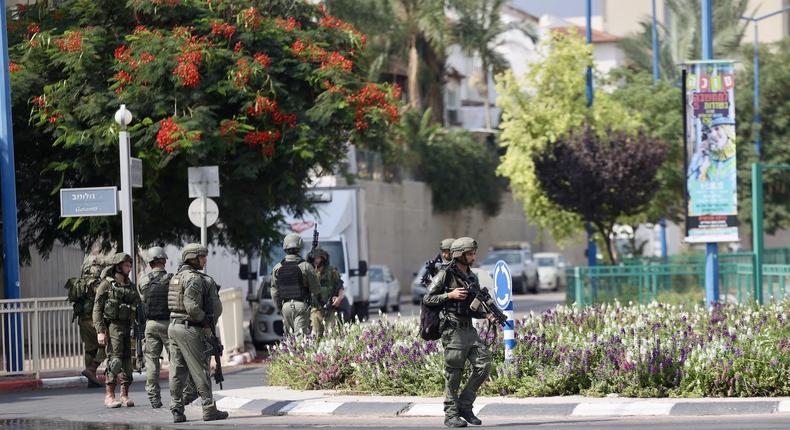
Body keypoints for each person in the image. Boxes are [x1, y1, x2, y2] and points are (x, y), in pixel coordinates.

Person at [423, 237, 493, 428]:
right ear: (459, 255)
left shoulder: (472, 276)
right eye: (470, 253)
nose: (473, 256)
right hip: (452, 329)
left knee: (484, 365)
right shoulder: (445, 274)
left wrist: (486, 314)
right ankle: (451, 415)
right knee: (454, 374)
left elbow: (472, 307)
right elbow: (428, 298)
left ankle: (465, 405)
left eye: (473, 253)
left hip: (469, 328)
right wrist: (449, 295)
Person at [167, 243, 228, 423]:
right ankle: (209, 408)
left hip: (174, 326)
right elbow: (193, 308)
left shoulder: (176, 278)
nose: (205, 260)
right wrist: (206, 322)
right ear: (192, 258)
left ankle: (177, 410)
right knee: (200, 369)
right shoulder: (194, 279)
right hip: (190, 328)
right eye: (202, 256)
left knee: (177, 371)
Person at [137, 246, 197, 409]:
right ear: (164, 261)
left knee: (152, 361)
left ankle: (153, 397)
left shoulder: (143, 280)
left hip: (150, 325)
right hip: (168, 324)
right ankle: (179, 396)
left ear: (149, 263)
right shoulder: (172, 278)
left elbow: (143, 299)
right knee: (176, 361)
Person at [93, 252, 140, 408]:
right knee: (115, 360)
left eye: (130, 265)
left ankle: (124, 395)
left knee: (128, 362)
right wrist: (100, 330)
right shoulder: (106, 285)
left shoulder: (130, 285)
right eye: (127, 265)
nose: (130, 268)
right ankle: (109, 395)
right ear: (118, 266)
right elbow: (97, 309)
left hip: (129, 327)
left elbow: (138, 306)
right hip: (113, 326)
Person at [66, 255, 108, 388]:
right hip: (93, 320)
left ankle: (92, 379)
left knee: (90, 349)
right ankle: (91, 370)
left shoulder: (80, 282)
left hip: (83, 320)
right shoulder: (94, 283)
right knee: (107, 344)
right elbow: (101, 295)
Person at [270, 233, 320, 336]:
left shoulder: (277, 267)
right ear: (299, 246)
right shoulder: (306, 266)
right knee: (300, 341)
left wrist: (280, 308)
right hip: (301, 306)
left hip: (285, 307)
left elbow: (274, 292)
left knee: (289, 340)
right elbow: (316, 289)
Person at [309, 246, 345, 338]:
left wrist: (339, 298)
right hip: (316, 310)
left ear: (323, 259)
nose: (316, 260)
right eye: (314, 258)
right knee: (316, 336)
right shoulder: (310, 272)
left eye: (318, 258)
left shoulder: (332, 271)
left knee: (332, 335)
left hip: (330, 309)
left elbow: (340, 287)